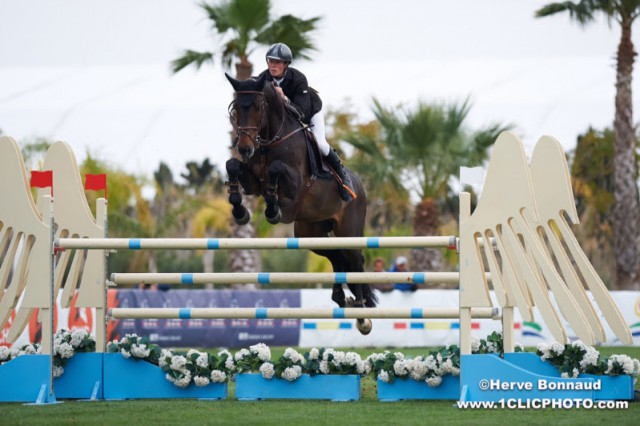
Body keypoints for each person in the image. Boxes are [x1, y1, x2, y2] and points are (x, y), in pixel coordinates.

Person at [257, 42, 357, 202]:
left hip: (309, 111)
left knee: (321, 143)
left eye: (277, 62)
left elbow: (300, 113)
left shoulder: (298, 79)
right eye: (271, 61)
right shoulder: (263, 79)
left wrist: (284, 98)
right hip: (284, 120)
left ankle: (343, 177)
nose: (273, 65)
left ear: (286, 65)